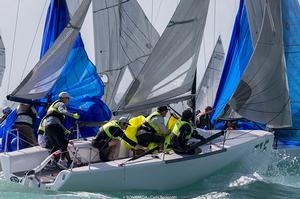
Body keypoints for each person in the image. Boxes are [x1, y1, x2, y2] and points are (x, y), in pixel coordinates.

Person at [44, 91, 80, 168]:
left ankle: (51, 162)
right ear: (64, 98)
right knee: (64, 143)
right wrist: (73, 115)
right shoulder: (61, 104)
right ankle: (62, 161)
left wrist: (64, 130)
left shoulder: (53, 105)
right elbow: (62, 111)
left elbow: (54, 119)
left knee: (56, 145)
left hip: (47, 127)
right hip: (54, 126)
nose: (68, 100)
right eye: (68, 98)